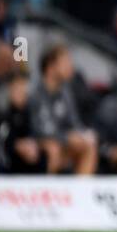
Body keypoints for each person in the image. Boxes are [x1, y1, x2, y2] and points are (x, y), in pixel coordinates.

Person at [28, 45, 97, 174]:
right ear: (51, 67)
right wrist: (67, 137)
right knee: (53, 149)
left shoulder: (65, 91)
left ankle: (79, 191)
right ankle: (48, 192)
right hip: (35, 140)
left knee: (88, 145)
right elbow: (41, 130)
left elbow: (74, 122)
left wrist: (83, 134)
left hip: (60, 139)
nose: (70, 66)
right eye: (65, 62)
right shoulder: (36, 93)